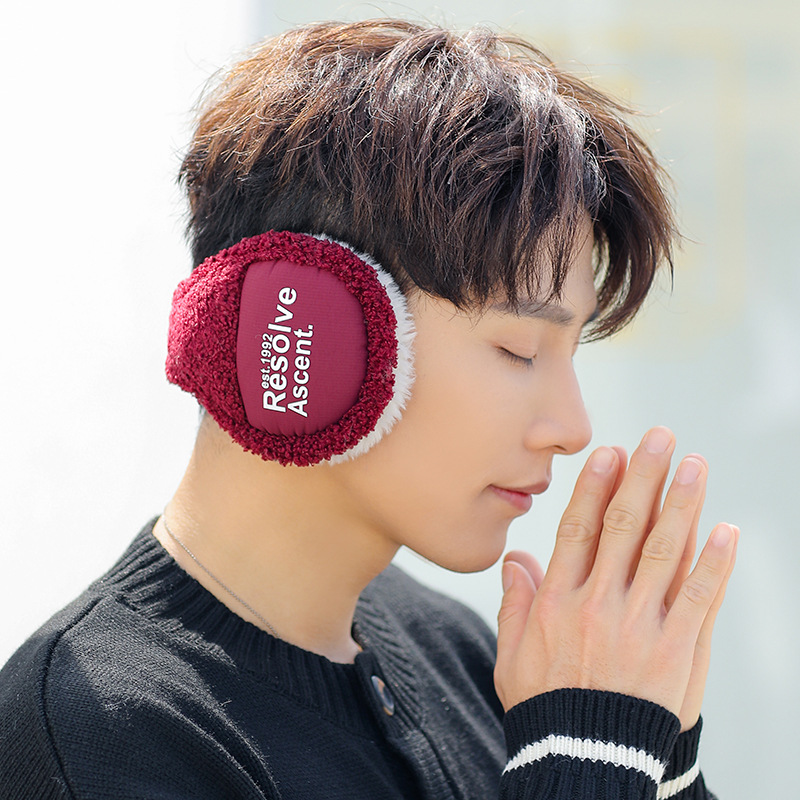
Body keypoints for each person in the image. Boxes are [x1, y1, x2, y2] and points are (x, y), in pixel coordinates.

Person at [0, 19, 737, 800]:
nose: (572, 428)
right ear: (311, 329)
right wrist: (589, 761)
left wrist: (654, 752)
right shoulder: (96, 739)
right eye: (520, 349)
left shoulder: (465, 654)